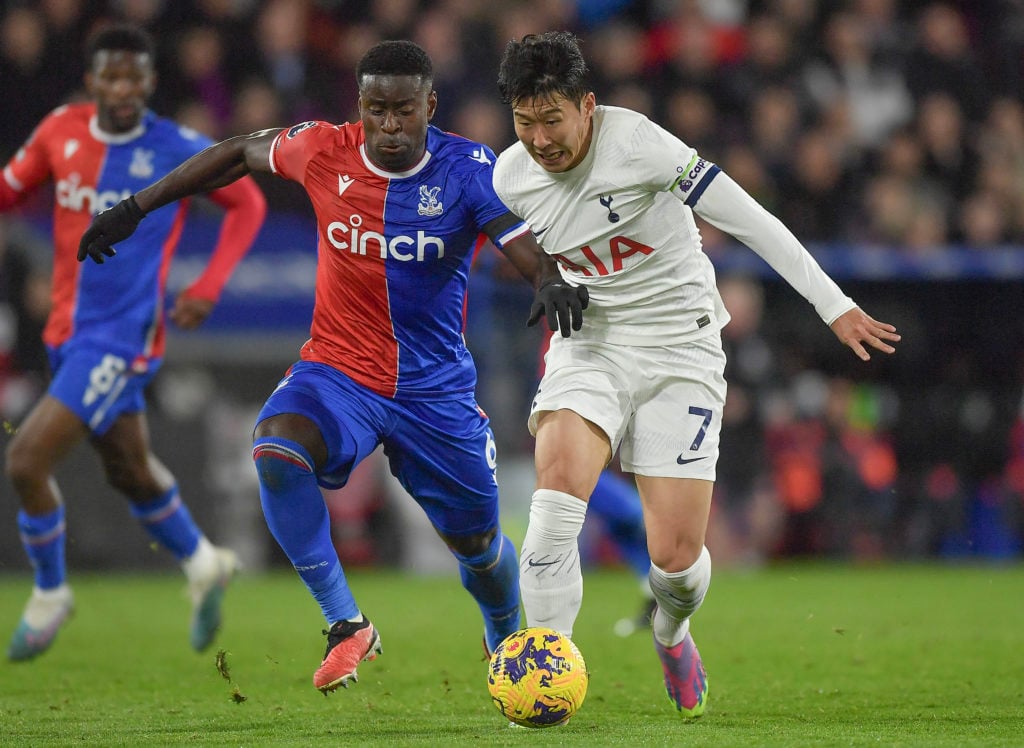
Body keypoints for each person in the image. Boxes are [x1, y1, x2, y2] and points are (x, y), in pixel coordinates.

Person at [78, 39, 589, 693]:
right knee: (275, 449)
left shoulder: (468, 169)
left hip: (432, 391)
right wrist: (135, 207)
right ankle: (347, 624)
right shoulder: (323, 148)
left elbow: (519, 241)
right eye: (376, 108)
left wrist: (548, 280)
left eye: (404, 109)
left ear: (430, 105)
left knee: (481, 551)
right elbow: (237, 150)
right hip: (339, 370)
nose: (390, 124)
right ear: (361, 106)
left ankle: (503, 637)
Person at [493, 31, 901, 719]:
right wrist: (549, 274)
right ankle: (547, 670)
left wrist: (834, 304)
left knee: (676, 563)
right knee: (555, 498)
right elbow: (512, 232)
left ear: (587, 106)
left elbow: (752, 221)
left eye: (552, 120)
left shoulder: (642, 146)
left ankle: (672, 630)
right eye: (524, 122)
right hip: (590, 346)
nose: (538, 138)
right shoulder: (511, 174)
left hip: (681, 348)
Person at [1, 24, 266, 662]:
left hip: (123, 337)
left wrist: (208, 283)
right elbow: (9, 192)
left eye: (134, 77)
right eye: (110, 77)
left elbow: (248, 203)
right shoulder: (59, 131)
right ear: (92, 81)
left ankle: (50, 592)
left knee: (26, 461)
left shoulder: (177, 147)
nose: (122, 88)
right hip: (65, 329)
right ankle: (204, 563)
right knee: (129, 470)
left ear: (149, 82)